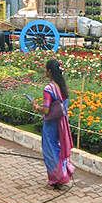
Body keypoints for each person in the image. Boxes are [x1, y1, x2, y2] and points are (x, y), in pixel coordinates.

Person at [36, 59, 75, 188]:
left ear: (49, 72)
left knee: (50, 151)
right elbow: (61, 107)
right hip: (62, 123)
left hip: (52, 126)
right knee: (59, 149)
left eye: (45, 70)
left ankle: (56, 178)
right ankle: (63, 175)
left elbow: (46, 109)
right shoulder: (63, 87)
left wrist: (36, 108)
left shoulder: (49, 88)